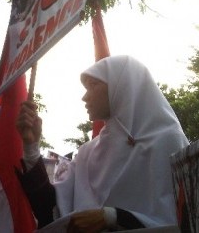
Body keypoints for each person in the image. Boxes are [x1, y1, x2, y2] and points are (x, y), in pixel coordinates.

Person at [16, 55, 189, 232]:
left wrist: (112, 217)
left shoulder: (168, 141)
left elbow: (184, 220)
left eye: (93, 85)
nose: (84, 97)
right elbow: (49, 210)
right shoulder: (86, 153)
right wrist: (31, 145)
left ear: (122, 86)